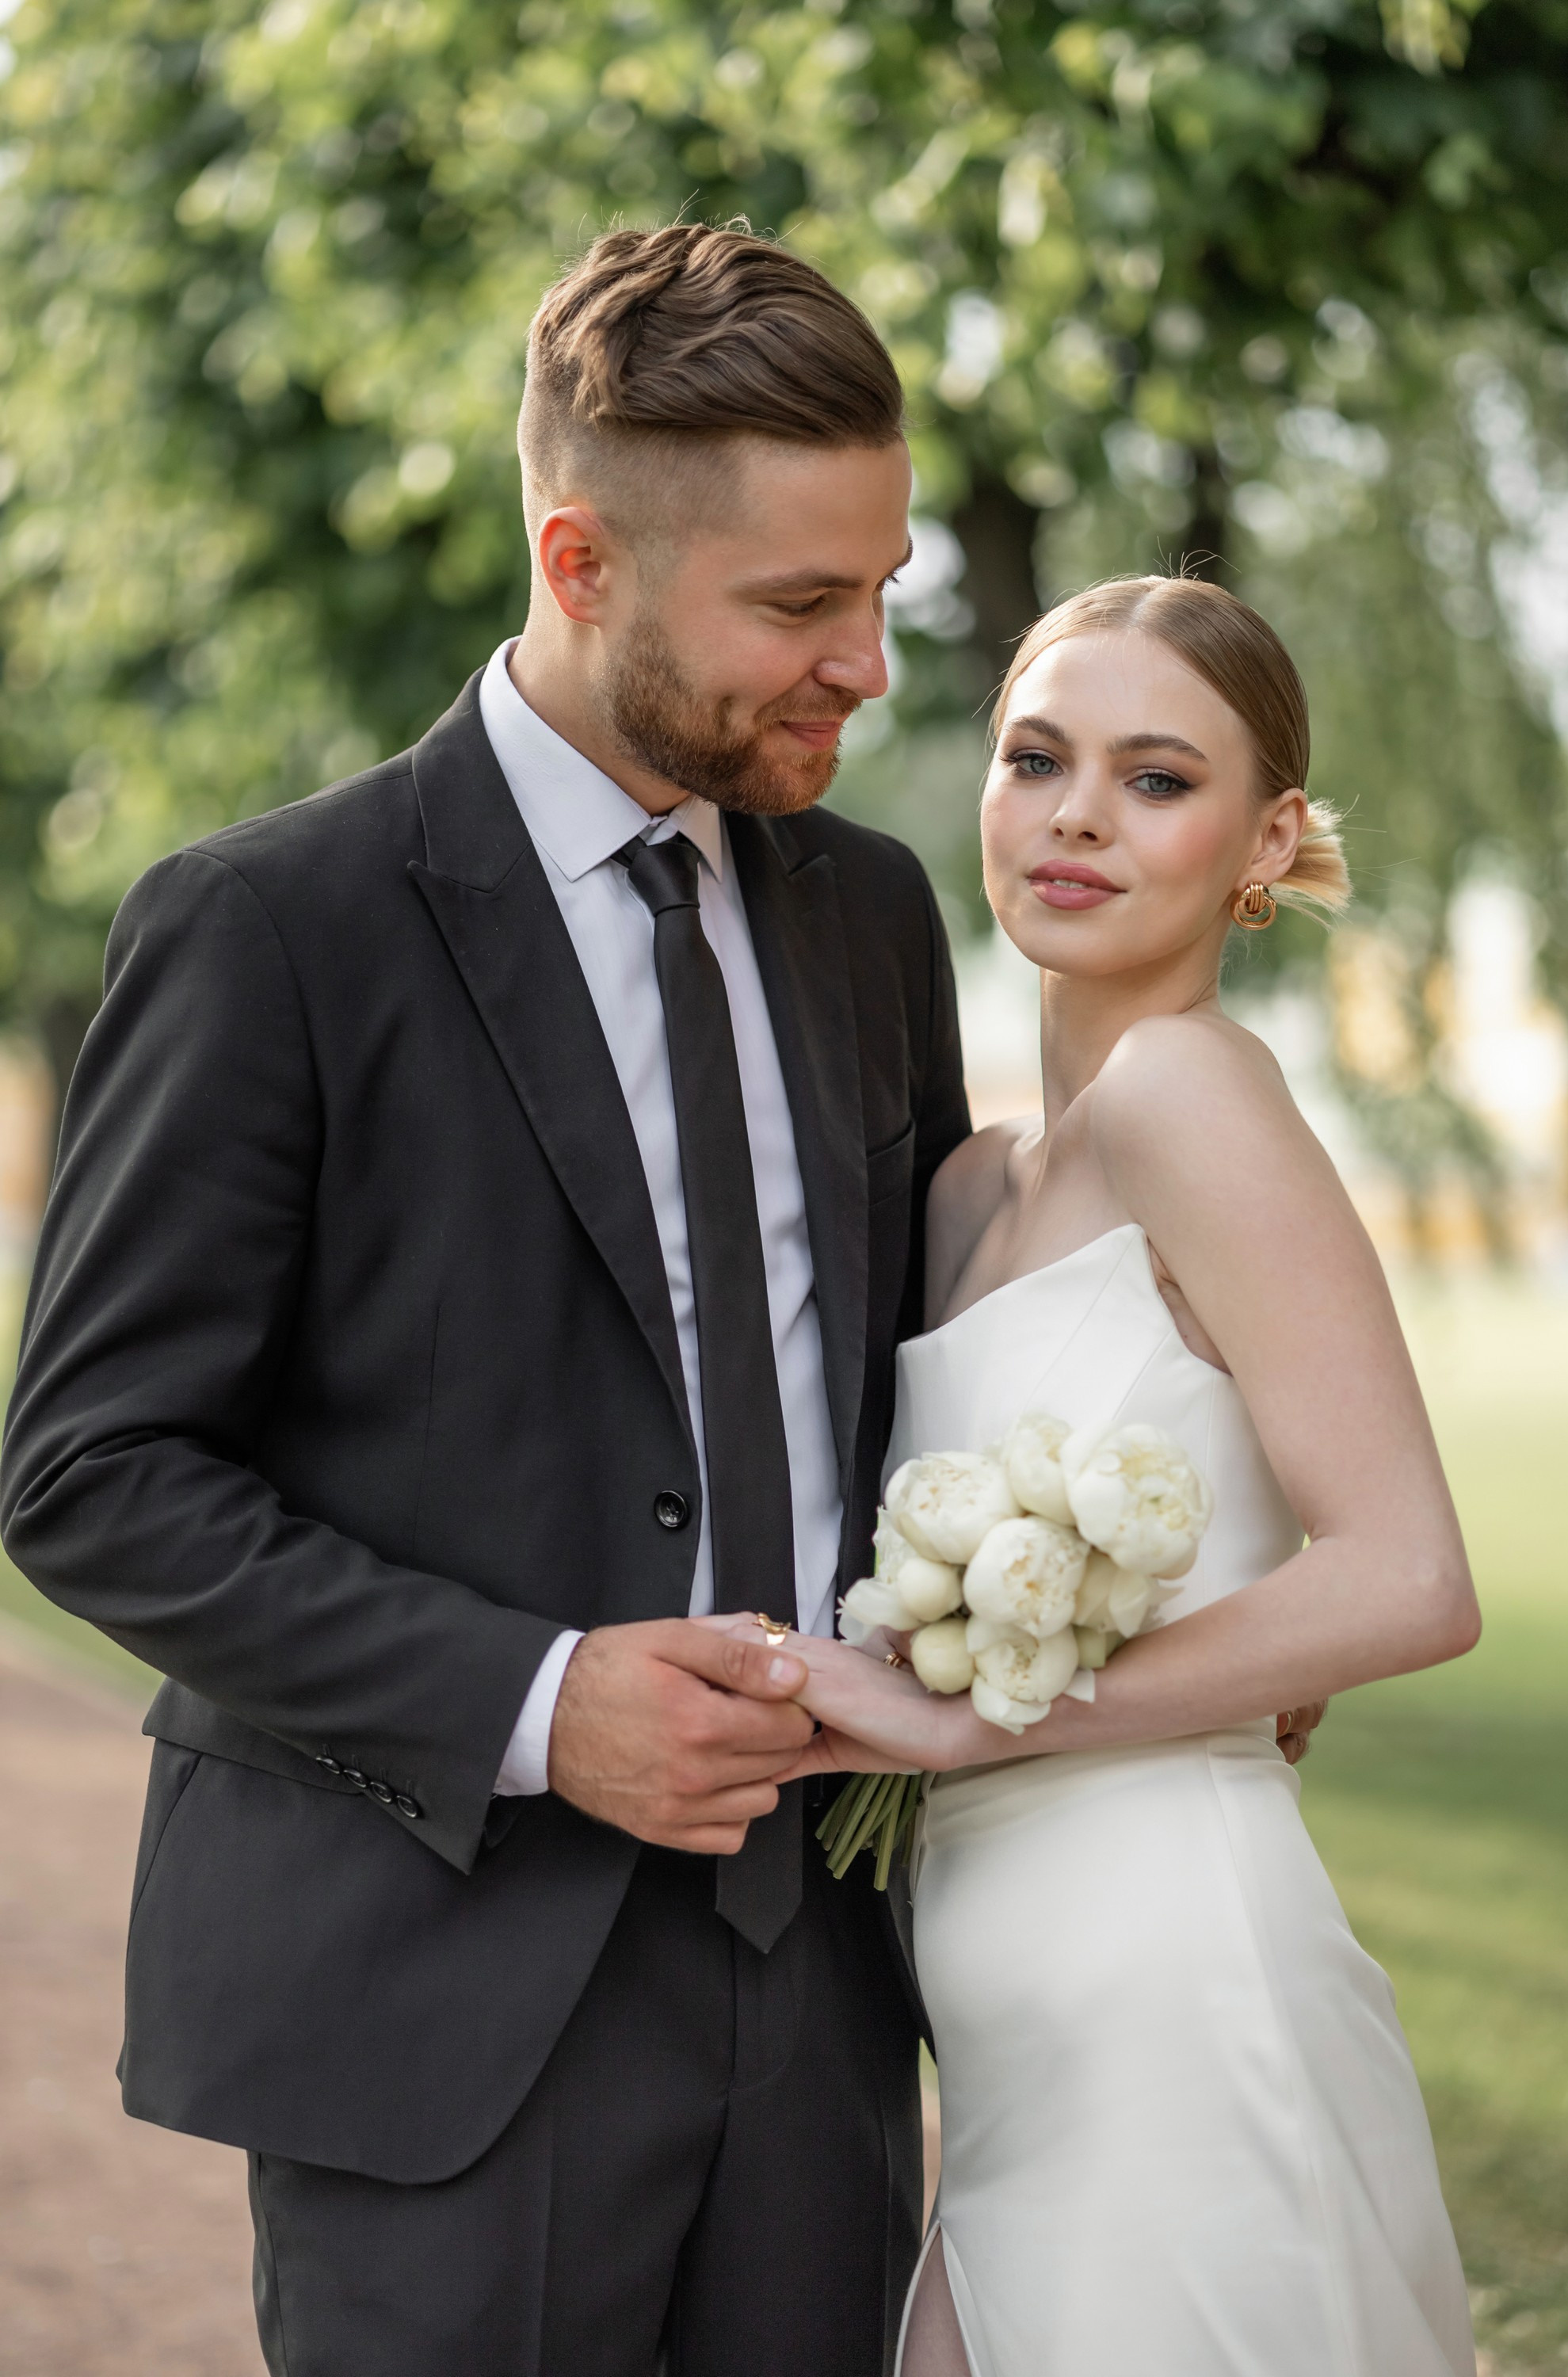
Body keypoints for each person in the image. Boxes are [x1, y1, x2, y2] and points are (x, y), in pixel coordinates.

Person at [0, 223, 976, 2375]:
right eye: (801, 606)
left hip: (824, 1987)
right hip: (433, 2007)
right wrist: (540, 1702)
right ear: (583, 558)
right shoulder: (271, 929)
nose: (868, 667)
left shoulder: (873, 922)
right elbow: (90, 1475)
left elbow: (931, 1392)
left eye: (881, 592)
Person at [737, 576, 1482, 2377]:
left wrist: (967, 1720)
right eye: (1035, 757)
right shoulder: (965, 1186)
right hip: (999, 2039)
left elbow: (1404, 1577)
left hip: (1176, 1993)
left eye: (1157, 779)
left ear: (1265, 838)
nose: (1073, 814)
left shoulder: (1187, 1096)